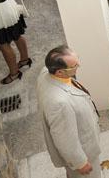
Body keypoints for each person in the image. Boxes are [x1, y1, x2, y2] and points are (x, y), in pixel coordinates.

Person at [37, 46, 102, 177]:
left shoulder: (45, 72)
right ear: (60, 72)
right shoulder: (60, 103)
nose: (79, 66)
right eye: (74, 66)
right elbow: (64, 139)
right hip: (84, 155)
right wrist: (80, 163)